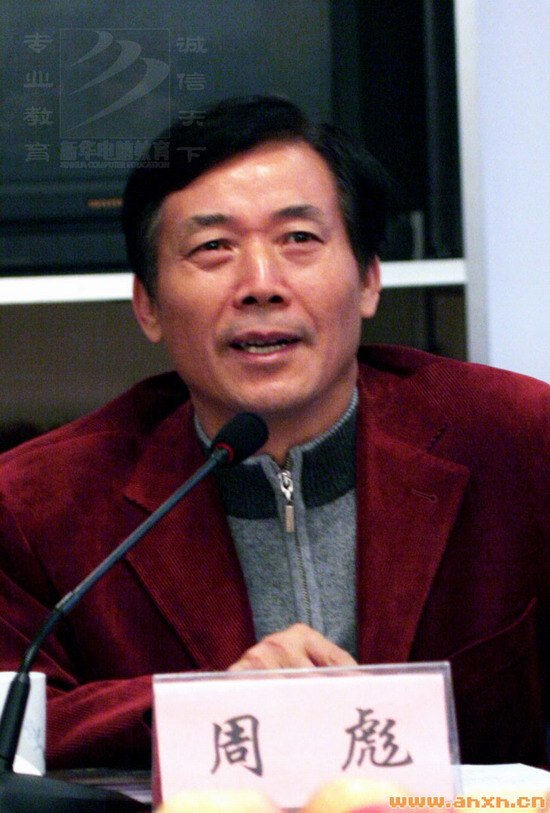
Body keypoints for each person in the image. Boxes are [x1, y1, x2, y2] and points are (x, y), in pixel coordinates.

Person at [0, 95, 549, 772]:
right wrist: (213, 707)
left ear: (368, 279)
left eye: (299, 239)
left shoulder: (519, 443)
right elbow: (15, 722)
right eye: (213, 247)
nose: (261, 284)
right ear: (148, 306)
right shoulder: (37, 505)